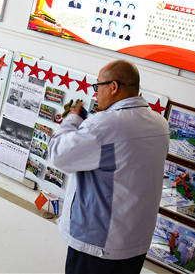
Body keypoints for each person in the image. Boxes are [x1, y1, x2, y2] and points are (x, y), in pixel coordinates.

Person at [49, 60, 169, 274]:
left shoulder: (106, 124)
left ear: (113, 87)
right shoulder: (160, 124)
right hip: (134, 244)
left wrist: (72, 120)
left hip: (96, 246)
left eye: (98, 86)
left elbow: (58, 154)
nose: (95, 94)